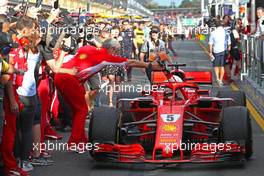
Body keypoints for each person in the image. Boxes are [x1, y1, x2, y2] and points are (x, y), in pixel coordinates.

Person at [2, 16, 34, 176]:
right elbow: (7, 74)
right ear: (24, 30)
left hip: (17, 91)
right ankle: (9, 166)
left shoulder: (20, 44)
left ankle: (12, 163)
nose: (33, 32)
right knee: (9, 131)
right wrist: (13, 99)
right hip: (10, 93)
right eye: (32, 29)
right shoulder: (10, 46)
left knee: (13, 131)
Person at [209, 20, 231, 87]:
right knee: (222, 66)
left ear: (215, 25)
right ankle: (220, 80)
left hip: (216, 51)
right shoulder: (226, 32)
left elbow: (210, 44)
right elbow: (229, 43)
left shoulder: (213, 33)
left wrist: (210, 52)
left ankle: (217, 78)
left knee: (216, 66)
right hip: (224, 51)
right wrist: (229, 51)